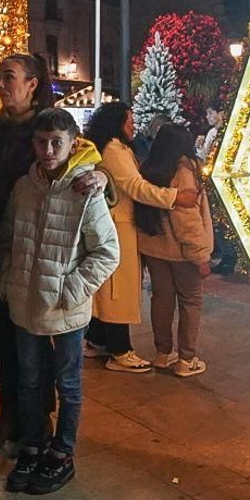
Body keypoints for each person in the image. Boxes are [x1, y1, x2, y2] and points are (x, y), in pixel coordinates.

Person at [0, 53, 105, 453]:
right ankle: (13, 416)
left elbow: (88, 164)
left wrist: (103, 178)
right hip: (1, 250)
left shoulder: (52, 129)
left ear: (33, 83)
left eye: (9, 77)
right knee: (7, 343)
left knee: (44, 348)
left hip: (48, 257)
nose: (1, 84)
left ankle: (41, 423)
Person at [0, 108, 119, 494]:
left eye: (57, 142)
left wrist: (71, 290)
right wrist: (8, 279)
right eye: (42, 141)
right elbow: (8, 239)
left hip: (67, 309)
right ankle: (33, 446)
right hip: (25, 303)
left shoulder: (85, 190)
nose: (49, 150)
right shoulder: (23, 186)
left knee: (68, 384)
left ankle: (62, 453)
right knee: (30, 381)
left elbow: (106, 252)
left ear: (73, 143)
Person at [81, 101, 194, 373]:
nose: (134, 124)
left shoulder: (113, 147)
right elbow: (134, 186)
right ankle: (121, 350)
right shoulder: (114, 149)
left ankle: (97, 340)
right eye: (129, 120)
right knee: (118, 288)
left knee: (110, 285)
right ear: (117, 123)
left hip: (116, 223)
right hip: (118, 225)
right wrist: (174, 197)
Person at [136, 123, 214, 376]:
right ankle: (186, 359)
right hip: (181, 251)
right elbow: (187, 220)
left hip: (154, 248)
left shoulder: (149, 168)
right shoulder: (184, 169)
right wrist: (201, 255)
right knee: (191, 300)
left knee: (161, 298)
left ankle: (162, 353)